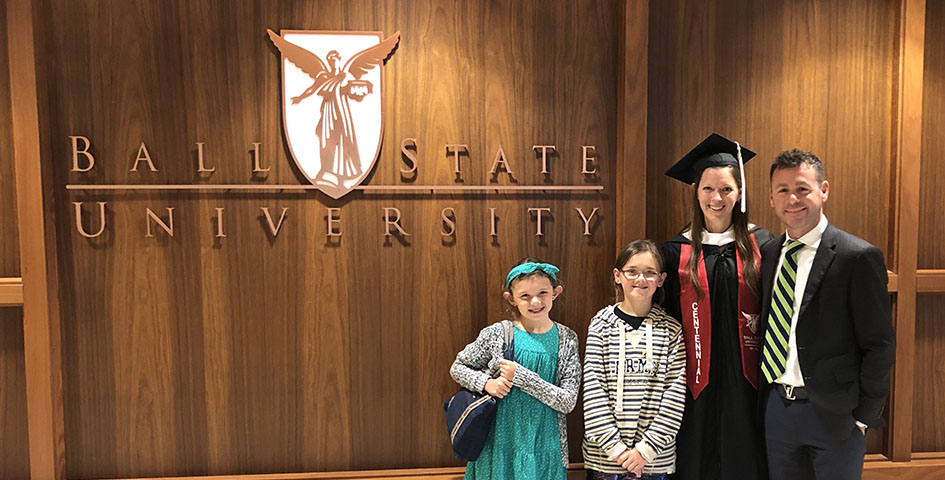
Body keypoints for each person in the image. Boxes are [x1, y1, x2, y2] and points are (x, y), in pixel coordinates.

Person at [759, 149, 895, 479]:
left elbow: (879, 344)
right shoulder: (769, 253)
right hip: (777, 409)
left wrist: (864, 416)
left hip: (836, 416)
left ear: (824, 190)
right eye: (783, 190)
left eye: (803, 188)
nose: (793, 199)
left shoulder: (857, 256)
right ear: (772, 198)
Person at [660, 133, 772, 480]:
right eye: (708, 189)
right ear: (695, 192)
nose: (717, 198)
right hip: (694, 378)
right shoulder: (676, 251)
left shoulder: (763, 245)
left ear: (740, 193)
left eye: (726, 189)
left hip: (750, 378)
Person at [450, 259, 581, 480]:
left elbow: (567, 401)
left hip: (545, 445)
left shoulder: (567, 338)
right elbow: (458, 367)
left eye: (543, 292)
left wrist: (521, 377)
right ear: (511, 299)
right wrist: (487, 384)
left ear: (556, 292)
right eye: (525, 296)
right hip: (498, 445)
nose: (536, 301)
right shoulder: (497, 334)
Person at [583, 240, 686, 480]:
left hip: (655, 462)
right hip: (605, 460)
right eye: (632, 272)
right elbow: (593, 393)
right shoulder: (600, 326)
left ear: (661, 280)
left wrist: (644, 451)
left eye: (650, 273)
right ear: (618, 276)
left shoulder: (671, 330)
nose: (641, 279)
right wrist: (618, 451)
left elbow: (674, 398)